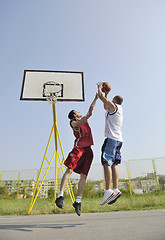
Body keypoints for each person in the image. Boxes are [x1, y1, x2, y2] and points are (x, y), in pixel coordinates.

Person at [55, 93, 98, 216]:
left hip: (88, 151)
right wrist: (86, 116)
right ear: (74, 115)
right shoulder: (73, 122)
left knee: (84, 176)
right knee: (69, 170)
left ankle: (78, 202)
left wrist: (95, 98)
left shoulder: (84, 119)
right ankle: (60, 196)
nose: (79, 111)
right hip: (79, 149)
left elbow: (89, 113)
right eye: (77, 111)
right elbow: (82, 121)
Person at [97, 82, 123, 205]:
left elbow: (102, 99)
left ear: (114, 101)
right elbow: (104, 105)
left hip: (112, 139)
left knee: (106, 161)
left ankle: (108, 190)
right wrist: (107, 93)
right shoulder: (116, 109)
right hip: (118, 139)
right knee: (114, 164)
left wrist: (99, 89)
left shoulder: (114, 107)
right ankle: (116, 188)